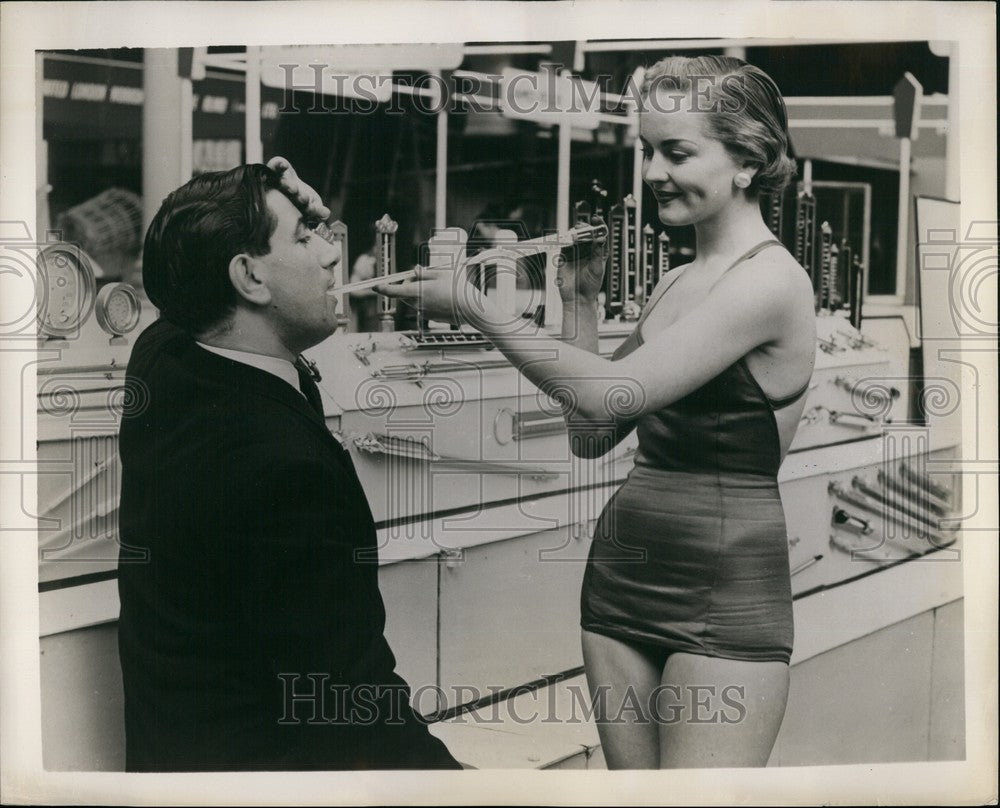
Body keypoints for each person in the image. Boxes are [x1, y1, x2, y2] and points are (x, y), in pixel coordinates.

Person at [378, 55, 816, 768]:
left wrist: (475, 307)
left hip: (725, 594)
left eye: (676, 151)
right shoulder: (676, 280)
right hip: (622, 584)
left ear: (746, 160)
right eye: (647, 150)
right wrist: (579, 304)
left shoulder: (770, 283)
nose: (651, 173)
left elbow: (606, 393)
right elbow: (591, 434)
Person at [116, 159, 460, 771]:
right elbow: (351, 704)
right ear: (248, 277)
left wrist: (300, 216)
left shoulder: (167, 358)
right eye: (306, 238)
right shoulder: (280, 469)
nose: (331, 254)